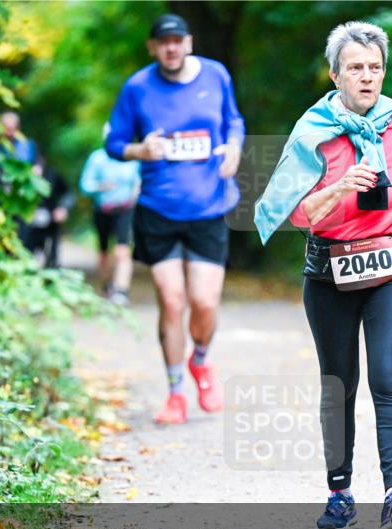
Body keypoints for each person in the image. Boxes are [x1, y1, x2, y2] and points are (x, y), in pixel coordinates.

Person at [254, 22, 392, 529]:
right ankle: (340, 496)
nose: (366, 76)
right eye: (355, 67)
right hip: (329, 272)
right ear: (335, 73)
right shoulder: (312, 132)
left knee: (390, 380)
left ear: (384, 72)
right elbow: (300, 215)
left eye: (375, 67)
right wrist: (342, 185)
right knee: (339, 385)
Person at [105, 14, 244, 424]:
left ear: (189, 42)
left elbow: (233, 121)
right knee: (172, 300)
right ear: (152, 47)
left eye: (178, 40)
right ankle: (175, 392)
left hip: (209, 207)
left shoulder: (216, 75)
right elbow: (114, 143)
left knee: (204, 302)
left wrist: (234, 148)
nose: (170, 47)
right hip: (158, 209)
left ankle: (200, 361)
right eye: (162, 41)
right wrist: (139, 151)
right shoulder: (137, 87)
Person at [80, 124, 141, 305]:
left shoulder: (132, 158)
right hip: (103, 210)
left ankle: (121, 290)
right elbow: (85, 185)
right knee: (104, 253)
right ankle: (107, 286)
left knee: (123, 251)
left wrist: (136, 193)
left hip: (125, 209)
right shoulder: (97, 158)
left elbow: (140, 181)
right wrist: (101, 187)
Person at [0, 111, 40, 250]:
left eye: (13, 128)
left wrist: (36, 170)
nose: (10, 132)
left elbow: (37, 164)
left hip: (22, 197)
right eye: (7, 128)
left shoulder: (27, 146)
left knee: (23, 234)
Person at [26, 157, 73, 268]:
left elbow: (68, 193)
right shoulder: (22, 177)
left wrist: (63, 208)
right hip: (28, 223)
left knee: (52, 258)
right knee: (27, 254)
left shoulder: (53, 175)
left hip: (51, 222)